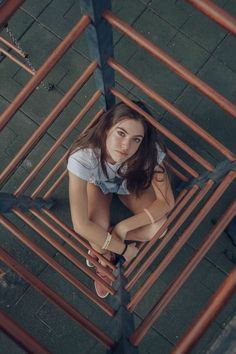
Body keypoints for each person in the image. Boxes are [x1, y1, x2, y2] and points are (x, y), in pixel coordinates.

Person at [67, 101, 175, 298]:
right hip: (98, 187)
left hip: (130, 187)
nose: (126, 146)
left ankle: (107, 240)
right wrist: (124, 250)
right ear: (107, 126)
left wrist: (122, 229)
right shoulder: (83, 156)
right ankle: (105, 253)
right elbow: (80, 225)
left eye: (136, 139)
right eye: (121, 133)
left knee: (160, 229)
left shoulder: (148, 152)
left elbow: (167, 202)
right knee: (98, 242)